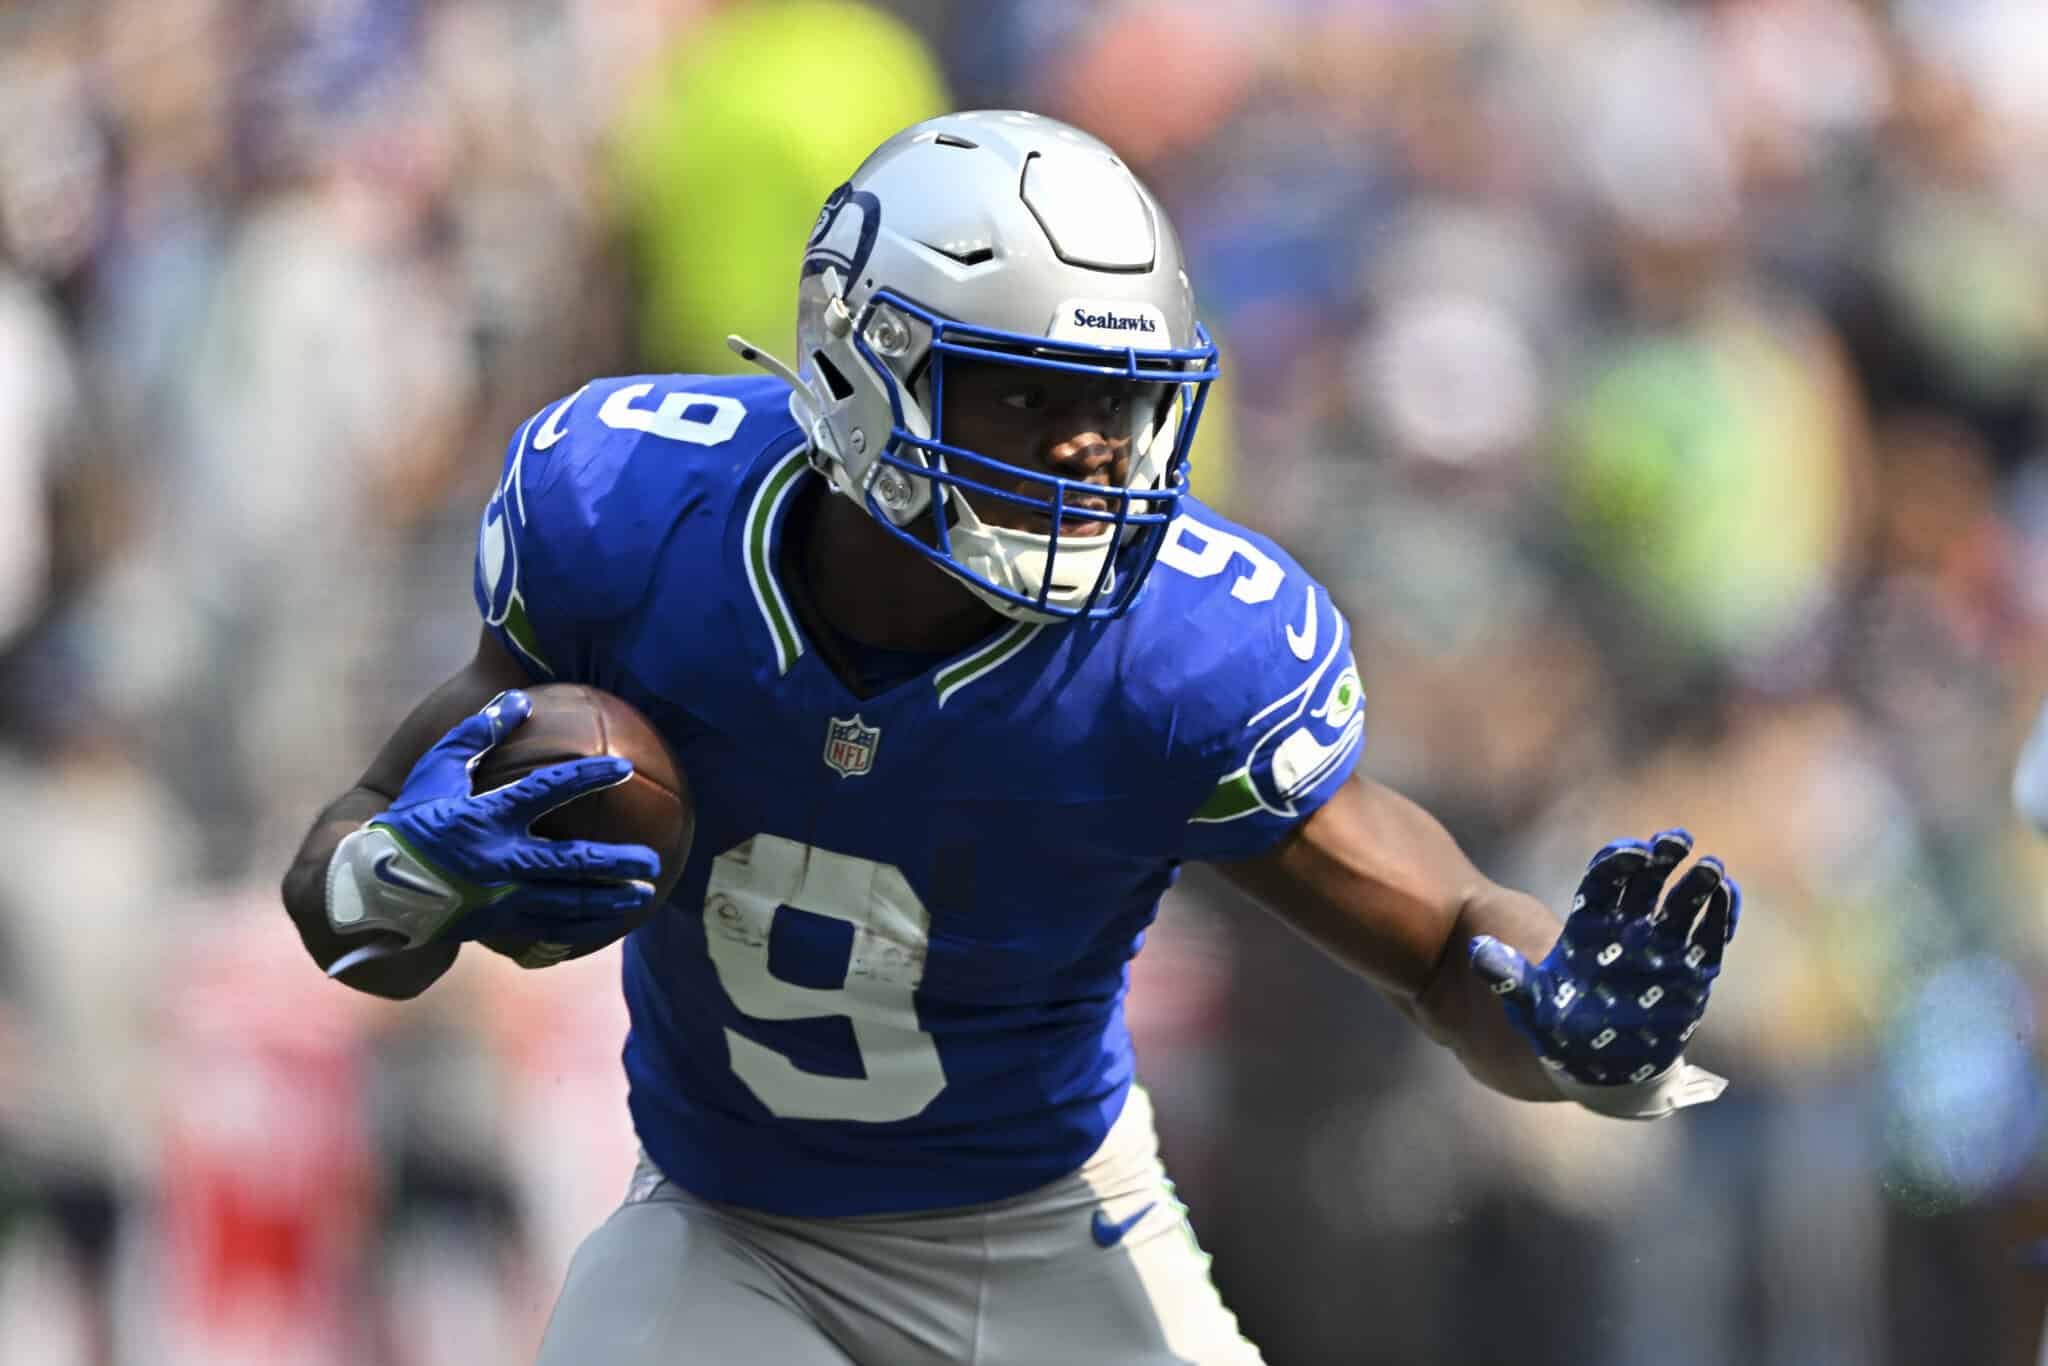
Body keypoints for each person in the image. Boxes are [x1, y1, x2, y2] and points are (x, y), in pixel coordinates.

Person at [280, 110, 1742, 1365]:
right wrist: (405, 874)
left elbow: (1440, 945)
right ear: (866, 361)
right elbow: (343, 883)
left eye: (1119, 403)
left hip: (1047, 1232)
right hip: (729, 1229)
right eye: (1035, 394)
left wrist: (1567, 1032)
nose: (1092, 451)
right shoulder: (631, 521)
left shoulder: (1176, 648)